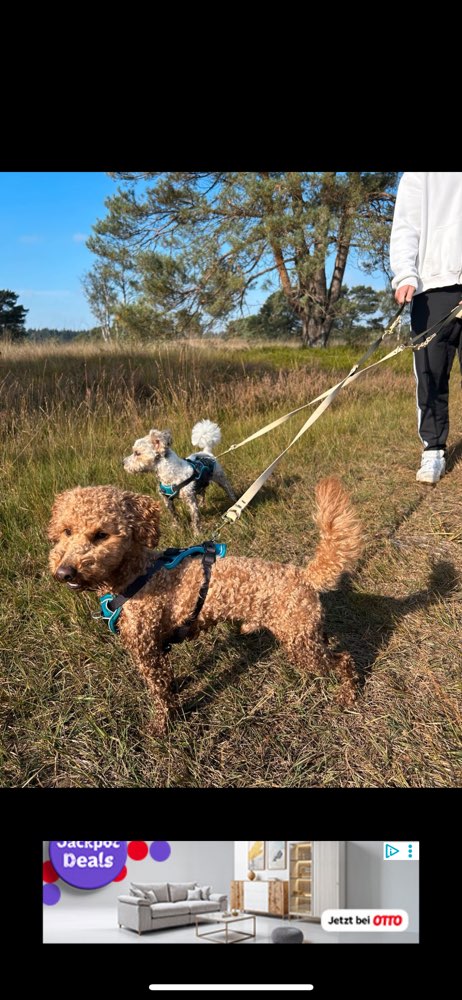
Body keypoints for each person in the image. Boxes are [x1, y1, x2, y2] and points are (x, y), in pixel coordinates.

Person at [390, 172, 462, 483]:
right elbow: (406, 224)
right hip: (433, 287)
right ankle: (433, 450)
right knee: (430, 374)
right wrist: (406, 273)